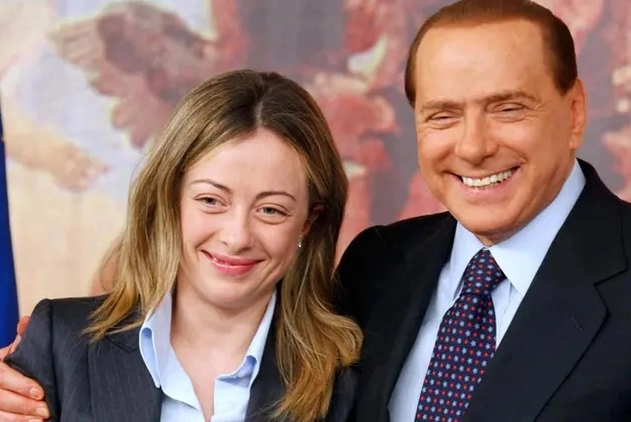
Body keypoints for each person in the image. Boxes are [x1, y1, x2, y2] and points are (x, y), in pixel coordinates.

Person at [4, 0, 631, 421]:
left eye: (508, 108)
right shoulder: (381, 266)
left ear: (575, 111)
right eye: (442, 115)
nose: (472, 146)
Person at [0, 69, 362, 422]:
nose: (237, 237)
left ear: (309, 222)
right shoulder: (60, 343)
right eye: (210, 200)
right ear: (169, 199)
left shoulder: (346, 380)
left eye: (271, 210)